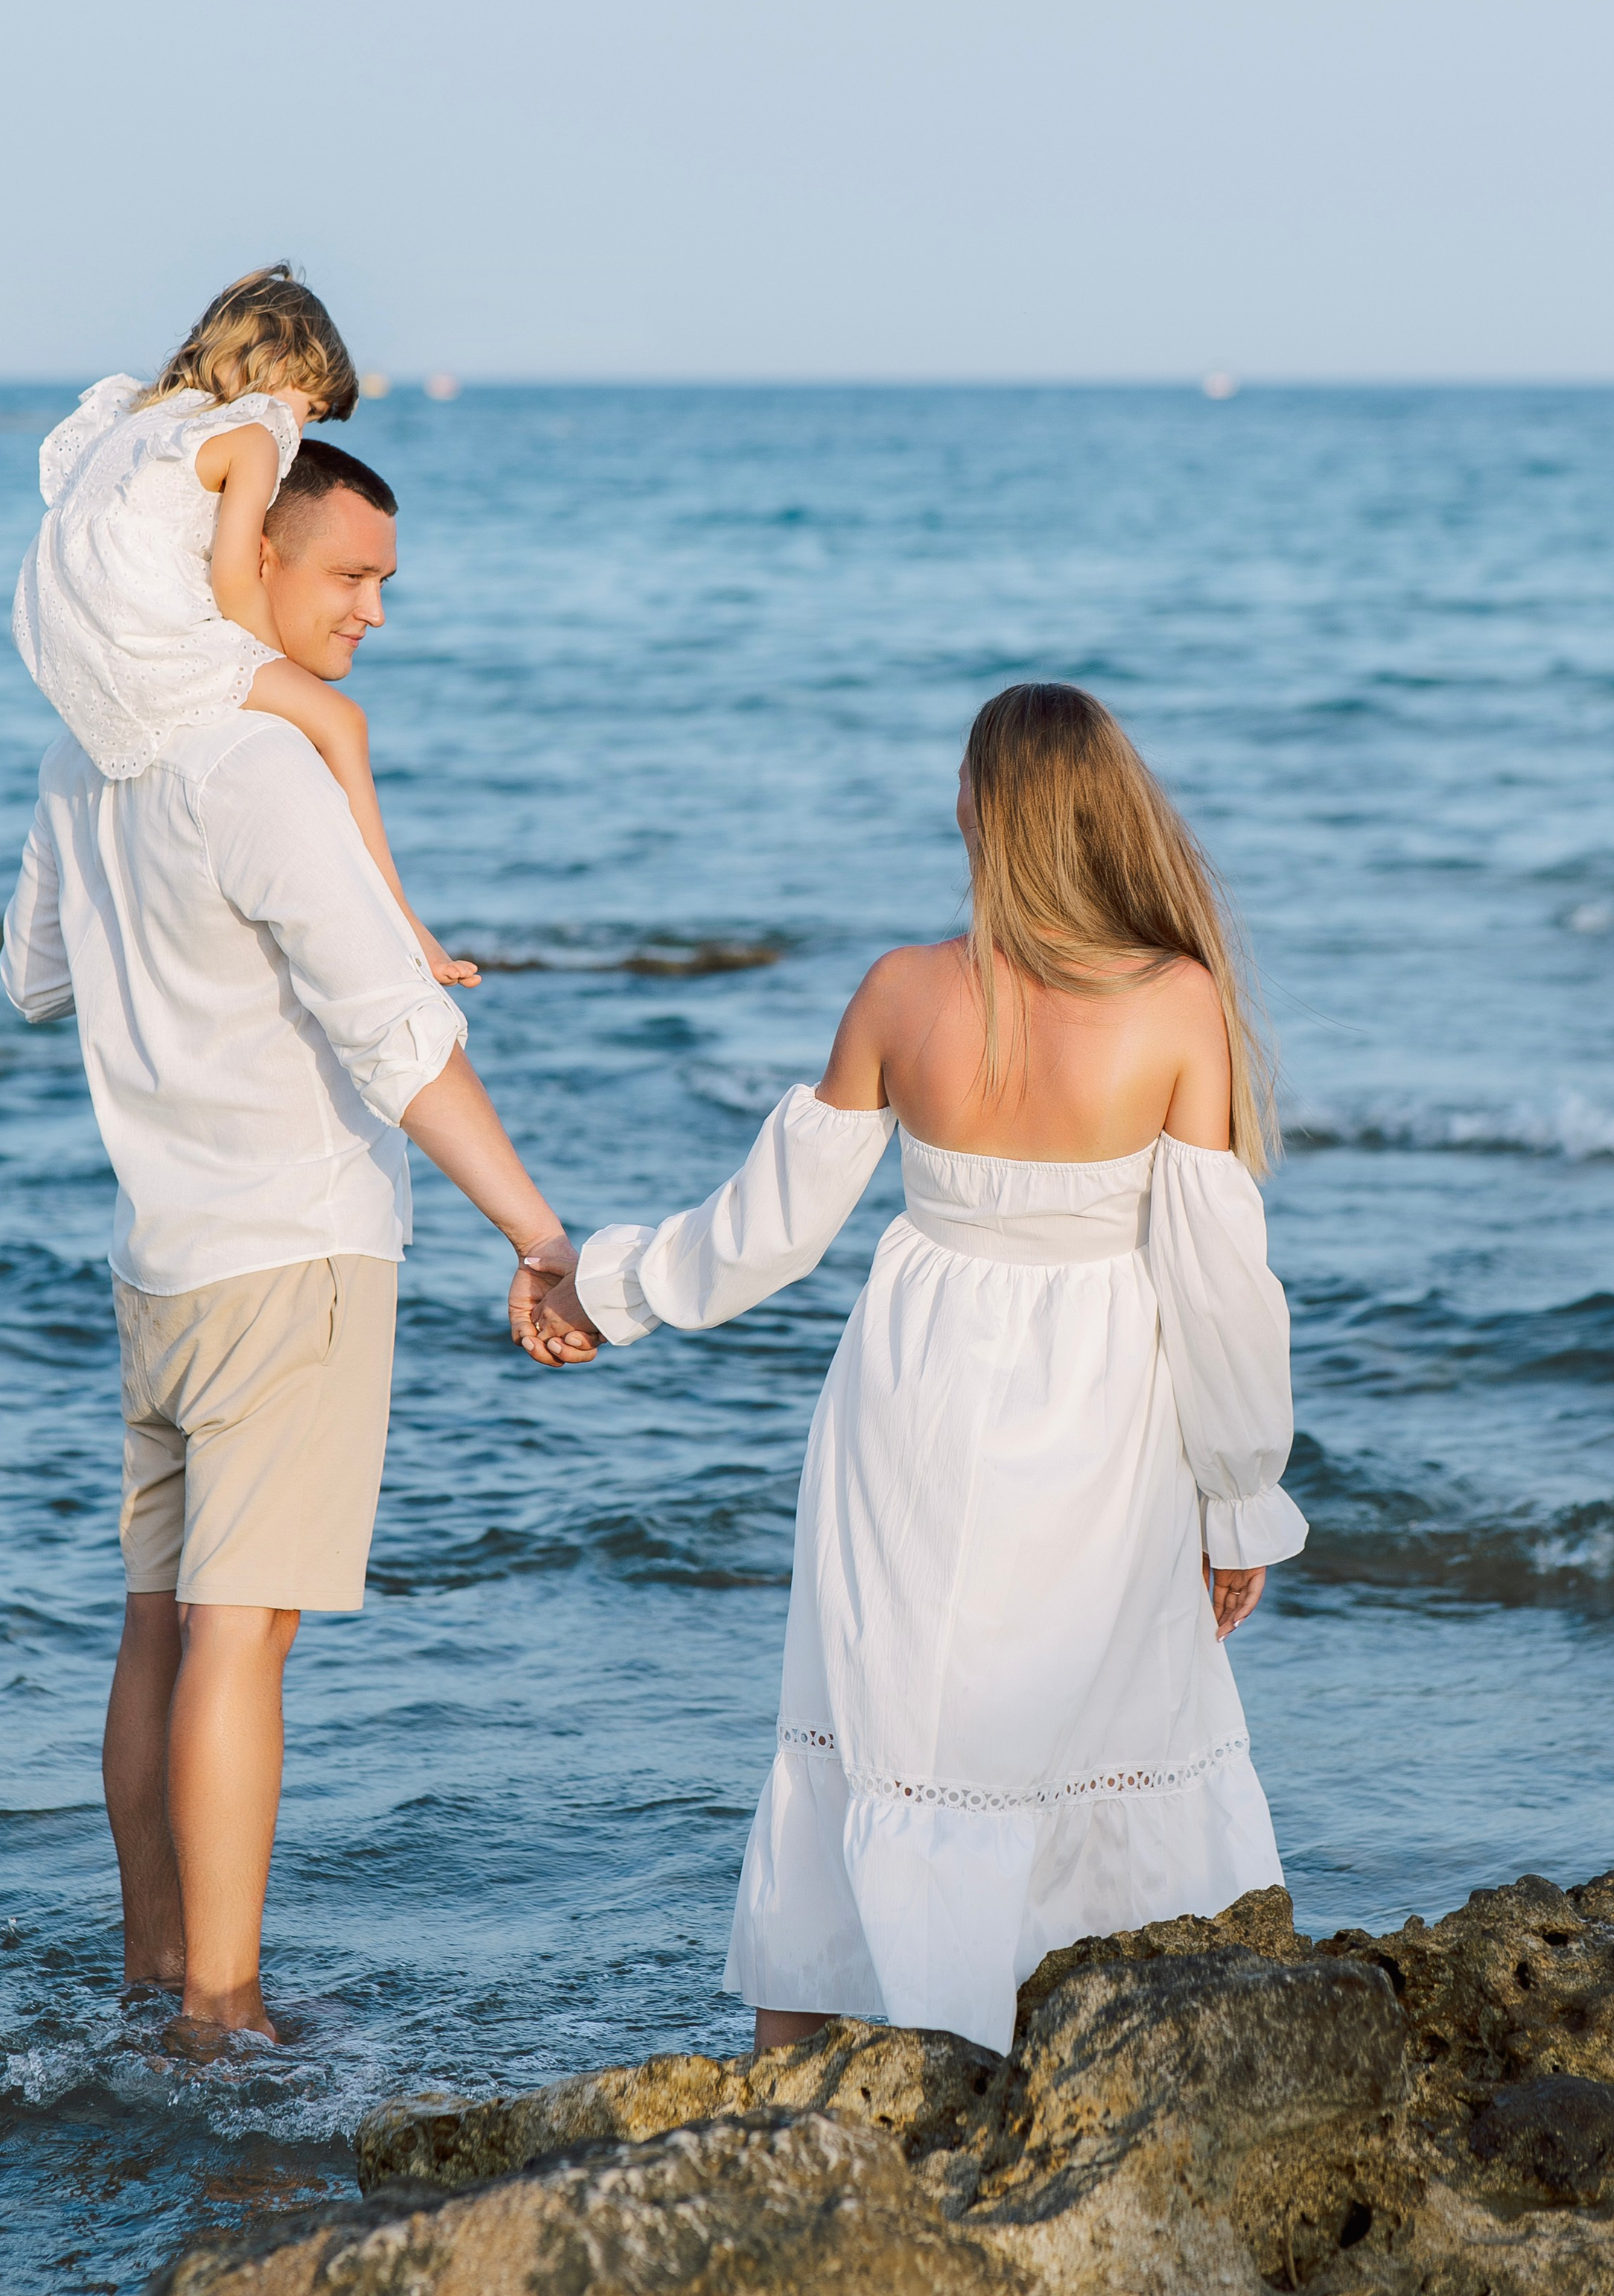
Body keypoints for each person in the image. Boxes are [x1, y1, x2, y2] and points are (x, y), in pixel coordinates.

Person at [524, 682, 1307, 2059]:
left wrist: (604, 1289)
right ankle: (1099, 2050)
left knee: (876, 1706)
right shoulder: (1179, 1003)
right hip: (1101, 1414)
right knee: (1097, 1707)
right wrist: (1238, 1503)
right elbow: (1224, 1293)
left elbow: (761, 1232)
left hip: (916, 1395)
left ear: (977, 811)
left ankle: (794, 2072)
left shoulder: (903, 990)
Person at [2, 440, 574, 2050]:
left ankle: (152, 1972)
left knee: (158, 1621)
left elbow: (36, 980)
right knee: (240, 1641)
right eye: (345, 574)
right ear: (243, 554)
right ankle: (224, 2014)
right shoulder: (258, 772)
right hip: (294, 1251)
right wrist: (536, 1236)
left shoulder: (86, 751)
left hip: (160, 1261)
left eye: (385, 581)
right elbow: (398, 1040)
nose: (373, 609)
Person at [13, 263, 477, 987]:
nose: (299, 431)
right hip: (156, 642)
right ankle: (404, 925)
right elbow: (234, 576)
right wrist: (274, 670)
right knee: (341, 723)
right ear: (275, 369)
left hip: (78, 646)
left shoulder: (138, 422)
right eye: (310, 409)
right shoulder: (253, 435)